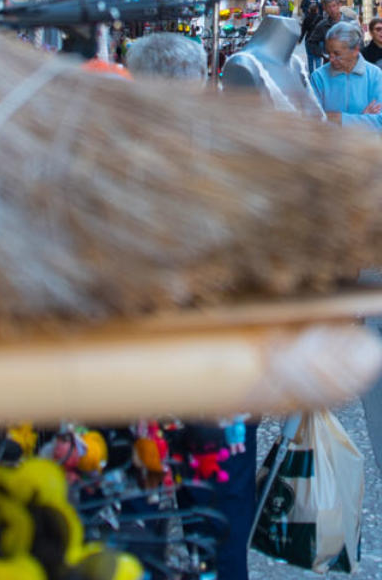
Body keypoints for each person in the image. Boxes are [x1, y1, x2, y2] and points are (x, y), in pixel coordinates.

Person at [126, 31, 260, 580]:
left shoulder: (106, 160)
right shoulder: (241, 154)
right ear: (203, 77)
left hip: (132, 382)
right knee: (219, 533)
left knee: (133, 533)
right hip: (221, 378)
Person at [310, 21, 382, 131]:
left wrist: (338, 118)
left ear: (355, 50)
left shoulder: (374, 75)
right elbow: (313, 123)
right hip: (329, 148)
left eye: (337, 54)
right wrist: (362, 119)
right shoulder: (319, 77)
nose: (330, 59)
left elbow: (379, 122)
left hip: (364, 148)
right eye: (328, 52)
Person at [304, 0, 341, 69]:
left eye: (334, 6)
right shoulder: (322, 25)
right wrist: (323, 54)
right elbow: (311, 42)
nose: (332, 10)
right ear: (325, 9)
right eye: (329, 7)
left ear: (339, 5)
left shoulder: (349, 20)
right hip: (331, 66)